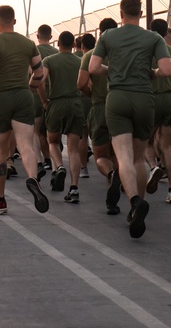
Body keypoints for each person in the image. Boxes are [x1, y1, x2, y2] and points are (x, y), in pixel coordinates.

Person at [87, 0, 171, 239]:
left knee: (122, 156)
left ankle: (134, 202)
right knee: (137, 157)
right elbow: (166, 70)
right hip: (144, 99)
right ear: (142, 13)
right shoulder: (154, 38)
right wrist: (151, 73)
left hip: (118, 99)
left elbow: (93, 68)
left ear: (121, 13)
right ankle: (139, 205)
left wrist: (112, 70)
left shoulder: (108, 36)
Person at [0, 5, 49, 215]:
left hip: (0, 97)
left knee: (0, 152)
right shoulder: (28, 43)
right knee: (26, 145)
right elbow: (39, 72)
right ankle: (33, 178)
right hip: (24, 96)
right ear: (15, 21)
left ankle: (0, 199)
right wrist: (30, 88)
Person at [78, 21, 121, 214]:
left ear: (100, 33)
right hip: (121, 107)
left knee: (101, 156)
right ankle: (115, 196)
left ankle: (111, 175)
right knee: (118, 153)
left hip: (99, 107)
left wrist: (92, 94)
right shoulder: (122, 53)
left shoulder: (89, 56)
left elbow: (81, 84)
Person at [39, 31, 85, 202]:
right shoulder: (80, 61)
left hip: (56, 103)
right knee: (73, 148)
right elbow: (88, 84)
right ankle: (74, 188)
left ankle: (58, 166)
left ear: (58, 44)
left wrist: (44, 100)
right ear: (74, 45)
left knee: (52, 141)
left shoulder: (49, 60)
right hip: (75, 103)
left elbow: (40, 80)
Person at [148, 18, 171, 205]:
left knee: (146, 142)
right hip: (170, 99)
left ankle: (154, 167)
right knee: (167, 146)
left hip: (151, 98)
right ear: (165, 33)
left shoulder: (145, 50)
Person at [34, 24, 59, 171]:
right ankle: (54, 159)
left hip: (37, 95)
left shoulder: (34, 52)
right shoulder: (56, 52)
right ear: (51, 37)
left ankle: (42, 160)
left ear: (37, 36)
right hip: (54, 95)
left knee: (36, 132)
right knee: (50, 131)